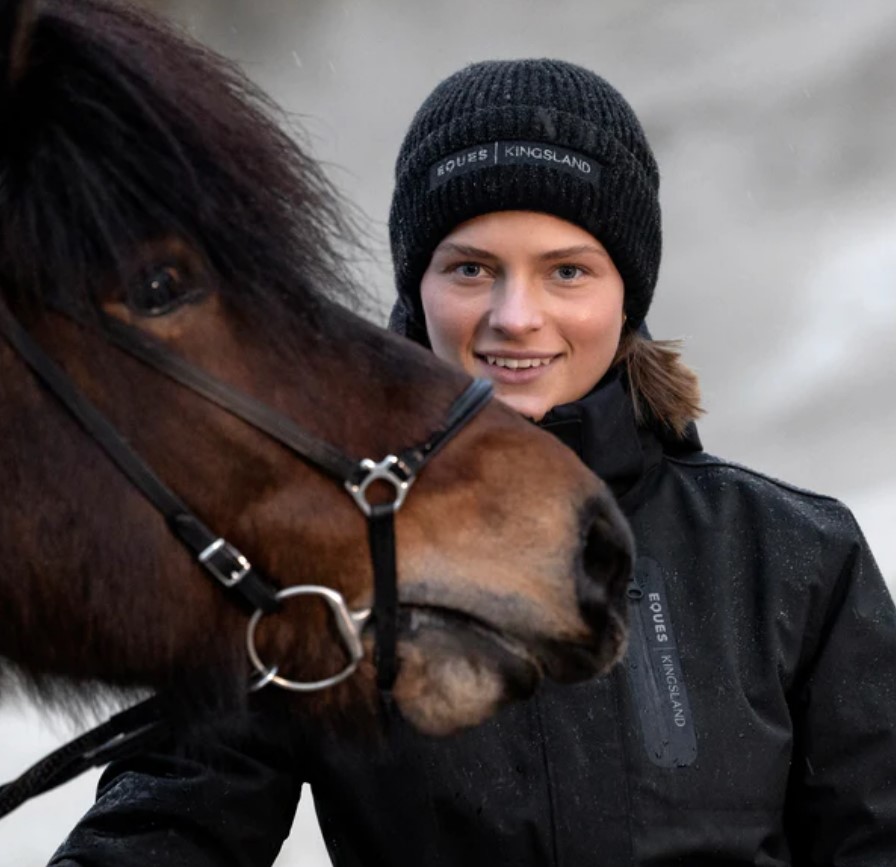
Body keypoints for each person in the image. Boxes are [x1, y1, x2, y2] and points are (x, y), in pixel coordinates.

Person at [53, 59, 896, 866]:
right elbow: (171, 821)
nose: (515, 316)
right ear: (415, 286)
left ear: (626, 294)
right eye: (471, 269)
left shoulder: (797, 558)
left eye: (568, 271)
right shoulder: (317, 565)